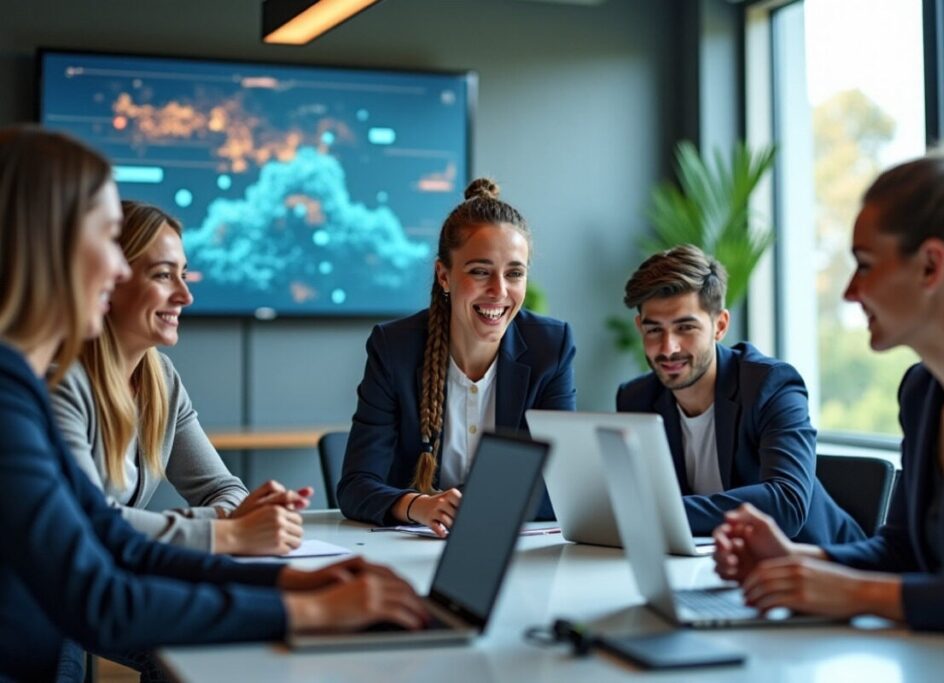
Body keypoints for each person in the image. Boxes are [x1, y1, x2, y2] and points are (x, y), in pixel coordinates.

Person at [0, 126, 427, 682]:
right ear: (47, 244)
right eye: (108, 240)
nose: (119, 269)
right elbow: (101, 596)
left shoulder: (22, 386)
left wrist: (284, 582)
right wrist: (310, 611)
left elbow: (112, 539)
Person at [712, 134, 944, 639]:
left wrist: (851, 592)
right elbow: (901, 551)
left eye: (865, 263)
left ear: (931, 266)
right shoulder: (924, 393)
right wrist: (797, 560)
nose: (850, 291)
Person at [51, 200, 311, 555]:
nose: (185, 296)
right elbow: (86, 520)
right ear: (109, 278)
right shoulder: (59, 382)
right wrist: (227, 528)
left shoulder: (161, 378)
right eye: (162, 274)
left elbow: (225, 488)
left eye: (183, 275)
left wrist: (231, 517)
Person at [338, 179, 576, 535]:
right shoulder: (394, 348)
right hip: (409, 548)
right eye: (480, 272)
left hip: (511, 549)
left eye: (514, 273)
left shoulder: (550, 347)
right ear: (444, 276)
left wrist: (469, 504)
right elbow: (356, 486)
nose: (499, 291)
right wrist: (420, 506)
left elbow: (561, 486)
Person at [616, 245, 863, 543]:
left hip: (821, 565)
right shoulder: (636, 399)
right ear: (639, 327)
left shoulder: (771, 385)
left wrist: (657, 512)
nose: (669, 347)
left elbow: (786, 503)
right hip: (713, 566)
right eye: (654, 330)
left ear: (719, 326)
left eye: (685, 327)